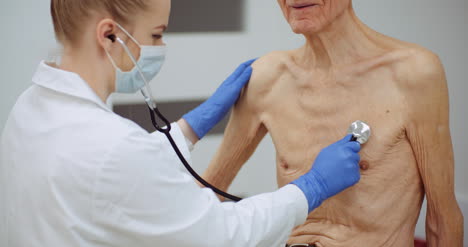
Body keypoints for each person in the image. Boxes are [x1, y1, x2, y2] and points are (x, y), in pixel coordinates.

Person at [0, 0, 364, 246]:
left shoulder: (30, 107)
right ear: (109, 35)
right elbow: (223, 235)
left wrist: (189, 128)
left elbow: (111, 180)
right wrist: (311, 187)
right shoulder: (112, 149)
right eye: (156, 34)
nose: (161, 44)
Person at [203, 0, 464, 246]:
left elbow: (442, 219)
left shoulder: (413, 73)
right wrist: (189, 130)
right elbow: (205, 196)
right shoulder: (266, 77)